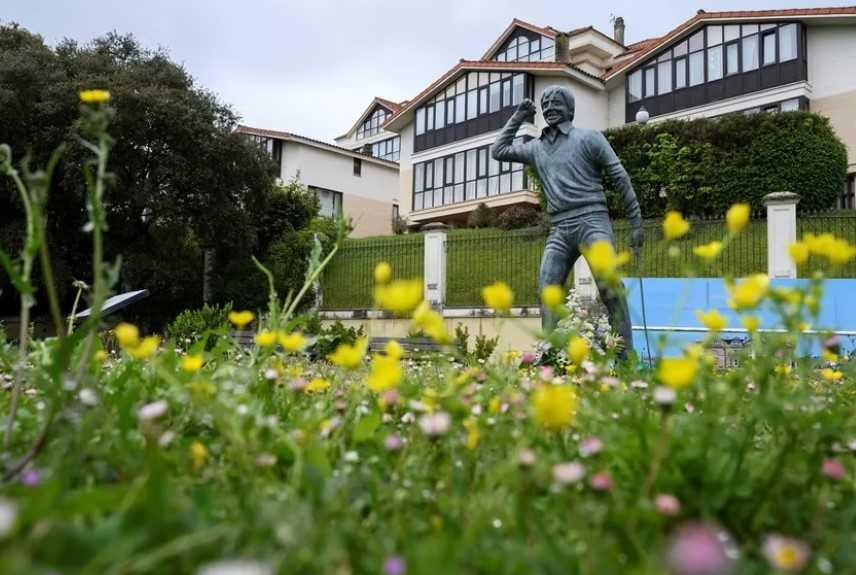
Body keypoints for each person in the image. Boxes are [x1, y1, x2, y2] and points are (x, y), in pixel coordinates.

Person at [492, 85, 643, 358]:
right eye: (545, 103)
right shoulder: (535, 148)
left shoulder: (590, 138)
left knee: (610, 288)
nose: (549, 107)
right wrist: (519, 116)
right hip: (560, 228)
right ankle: (552, 358)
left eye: (556, 102)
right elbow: (499, 150)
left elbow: (620, 177)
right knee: (547, 288)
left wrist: (636, 223)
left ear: (570, 109)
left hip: (592, 220)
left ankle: (625, 358)